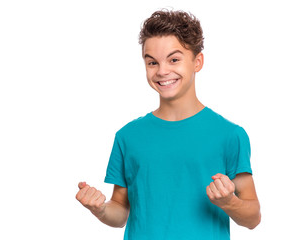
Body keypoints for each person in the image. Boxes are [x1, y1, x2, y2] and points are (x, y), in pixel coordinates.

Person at [76, 9, 261, 240]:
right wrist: (100, 208)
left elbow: (253, 217)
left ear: (198, 61)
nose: (162, 71)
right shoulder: (127, 136)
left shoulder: (229, 135)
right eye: (152, 62)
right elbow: (120, 212)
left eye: (174, 59)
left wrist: (229, 202)